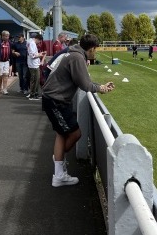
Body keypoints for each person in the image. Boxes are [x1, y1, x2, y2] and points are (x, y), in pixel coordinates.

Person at [42, 33, 115, 187]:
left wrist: (98, 85)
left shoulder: (74, 53)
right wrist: (101, 88)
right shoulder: (77, 57)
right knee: (75, 134)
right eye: (96, 49)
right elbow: (86, 85)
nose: (96, 53)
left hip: (56, 99)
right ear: (92, 48)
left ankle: (59, 171)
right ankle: (59, 163)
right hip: (56, 100)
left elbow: (84, 81)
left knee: (62, 134)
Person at [0, 30, 17, 95]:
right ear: (2, 36)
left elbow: (14, 47)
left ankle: (5, 89)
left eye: (8, 36)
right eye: (6, 36)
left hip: (6, 61)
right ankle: (0, 87)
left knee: (5, 75)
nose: (7, 37)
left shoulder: (9, 42)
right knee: (0, 75)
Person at [27, 33, 46, 100]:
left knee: (35, 79)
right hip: (33, 65)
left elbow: (33, 54)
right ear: (38, 39)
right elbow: (32, 55)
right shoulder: (32, 43)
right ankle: (33, 94)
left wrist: (39, 54)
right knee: (35, 80)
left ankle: (34, 94)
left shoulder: (31, 42)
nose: (39, 43)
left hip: (33, 64)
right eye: (39, 41)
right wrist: (40, 55)